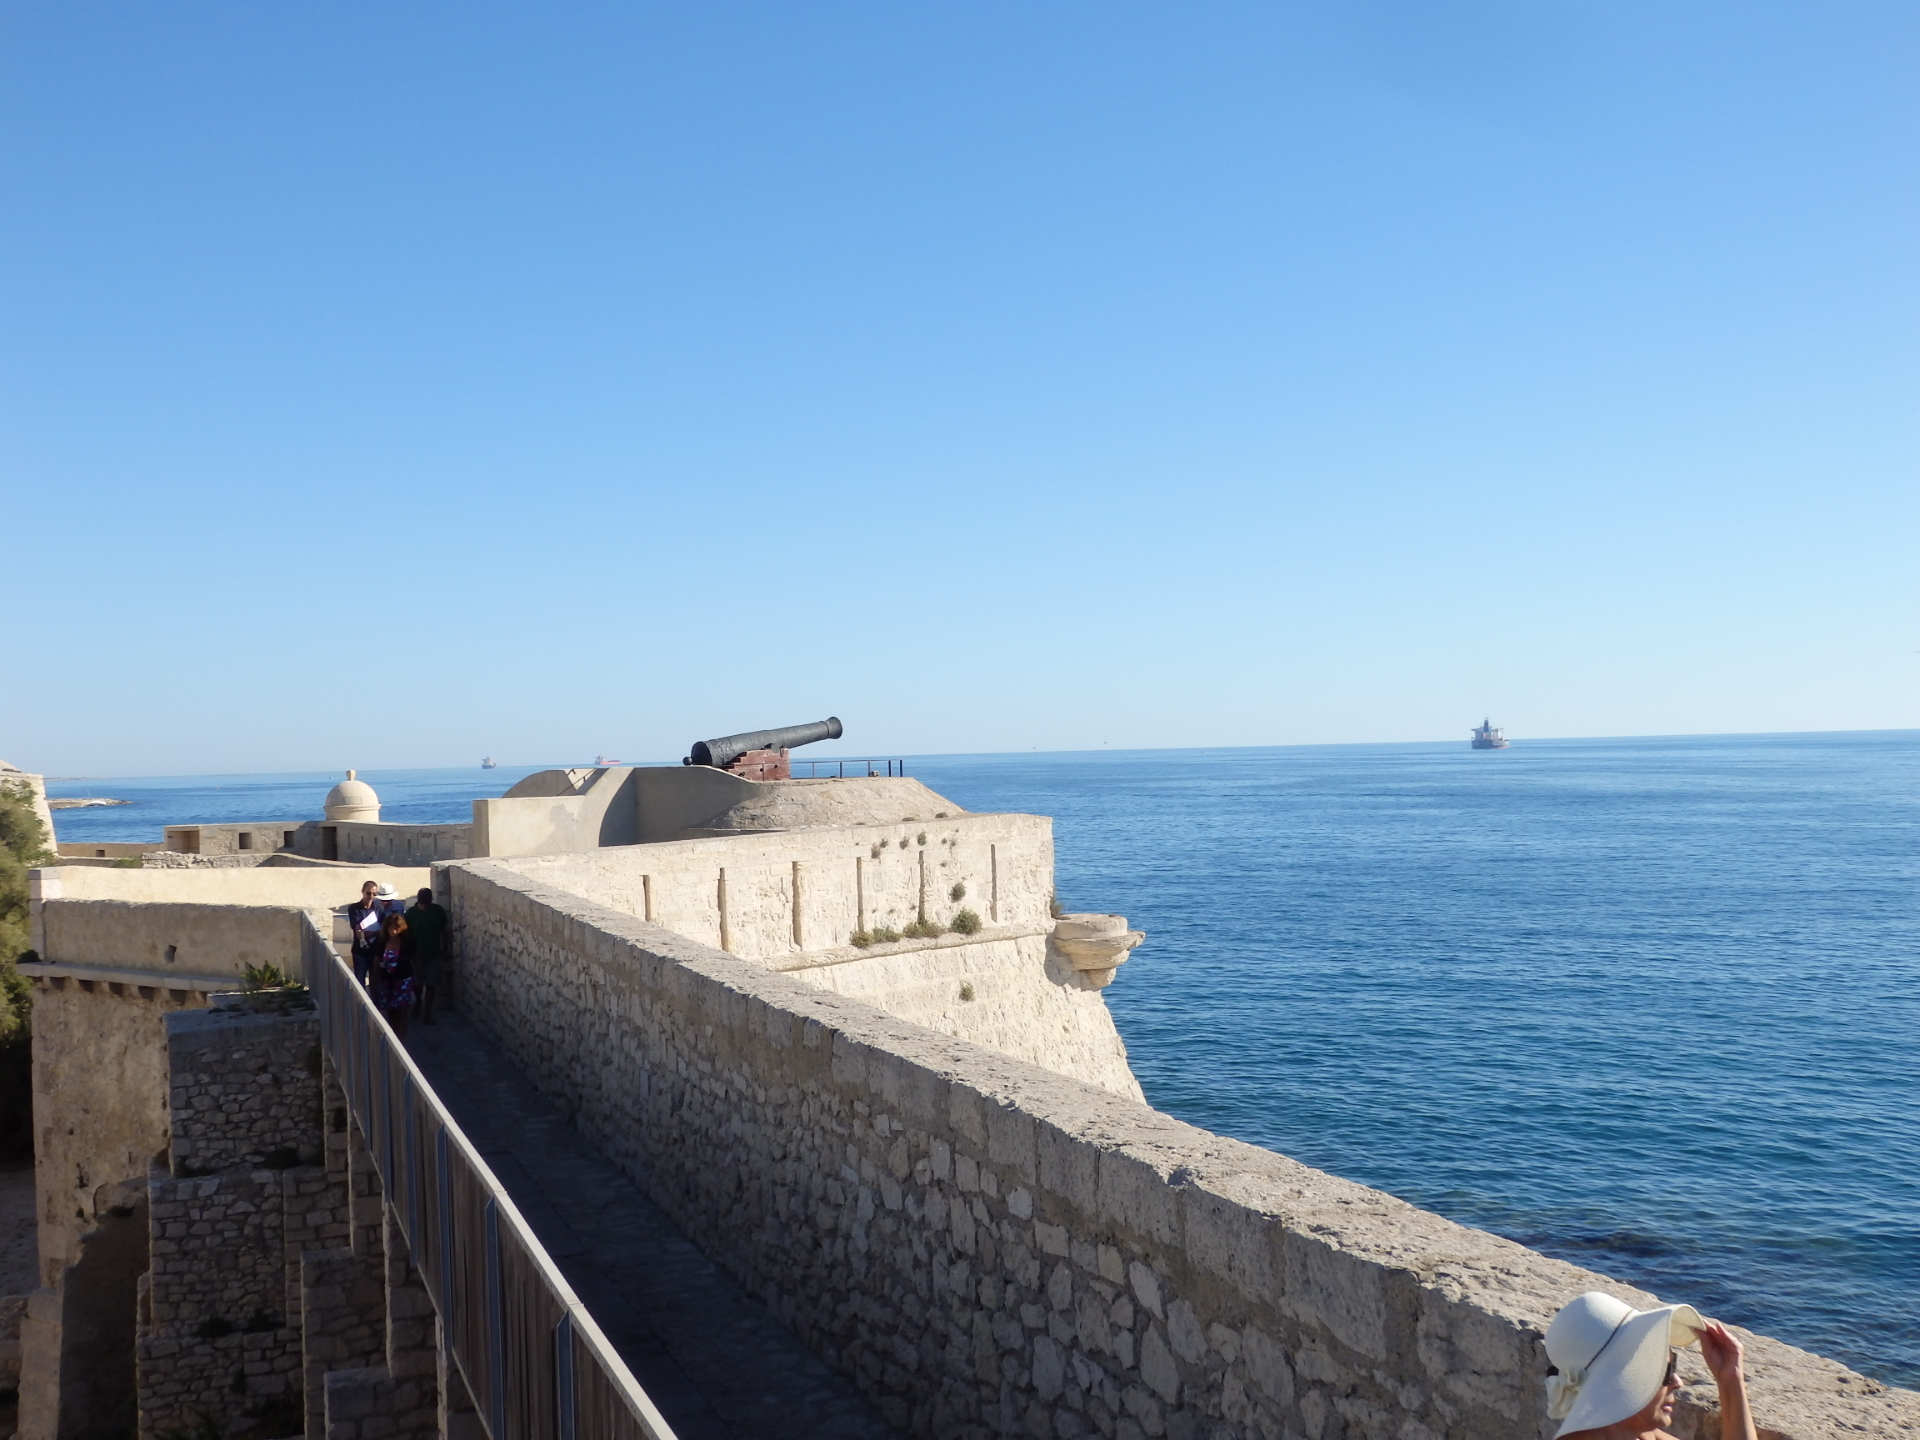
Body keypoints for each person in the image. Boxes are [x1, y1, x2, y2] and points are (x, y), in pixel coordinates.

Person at [1545, 1291, 1757, 1440]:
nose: (1678, 1382)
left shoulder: (1638, 1434)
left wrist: (1730, 1380)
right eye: (1665, 1371)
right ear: (1618, 1380)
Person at [368, 913, 416, 1040]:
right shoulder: (382, 942)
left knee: (402, 1012)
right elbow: (376, 962)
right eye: (391, 928)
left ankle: (401, 1041)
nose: (393, 931)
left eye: (396, 928)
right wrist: (373, 982)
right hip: (386, 982)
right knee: (390, 1012)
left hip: (403, 981)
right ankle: (393, 1040)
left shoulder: (407, 942)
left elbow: (414, 958)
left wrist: (418, 977)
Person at [404, 887, 448, 1026]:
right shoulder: (410, 914)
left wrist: (445, 948)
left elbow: (443, 930)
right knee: (417, 983)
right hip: (415, 955)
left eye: (426, 904)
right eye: (422, 904)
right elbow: (406, 936)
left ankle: (427, 1013)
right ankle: (418, 1001)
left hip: (433, 953)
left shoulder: (438, 911)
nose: (424, 907)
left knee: (431, 984)